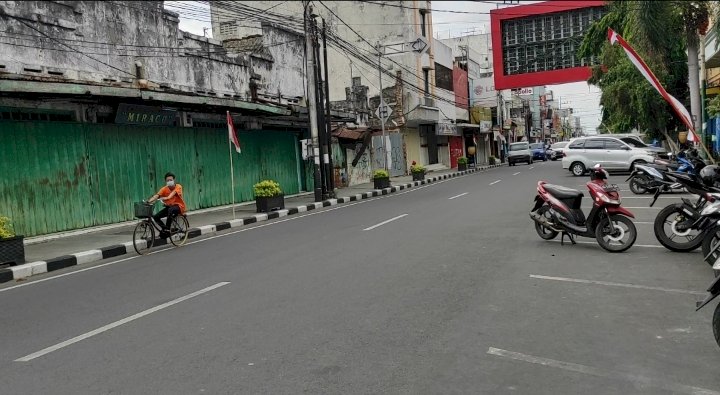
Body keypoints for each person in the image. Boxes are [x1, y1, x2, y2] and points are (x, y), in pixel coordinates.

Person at [147, 172, 186, 237]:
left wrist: (167, 197)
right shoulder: (164, 189)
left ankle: (167, 229)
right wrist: (148, 201)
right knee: (156, 217)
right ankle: (164, 229)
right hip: (170, 207)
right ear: (165, 181)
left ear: (174, 180)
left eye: (171, 180)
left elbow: (172, 193)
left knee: (170, 210)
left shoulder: (178, 186)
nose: (169, 181)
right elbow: (157, 195)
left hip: (179, 206)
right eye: (167, 180)